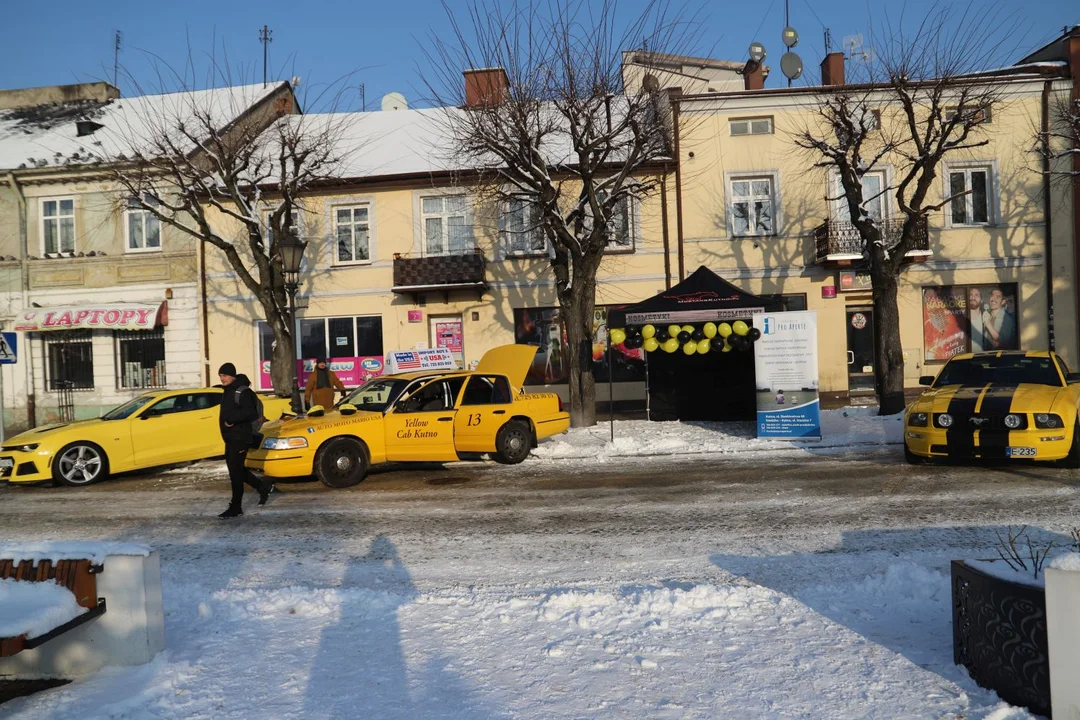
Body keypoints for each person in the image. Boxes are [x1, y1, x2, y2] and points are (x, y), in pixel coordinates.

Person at [217, 363, 273, 518]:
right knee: (236, 470)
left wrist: (232, 420)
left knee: (235, 473)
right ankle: (262, 487)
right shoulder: (228, 391)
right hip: (230, 437)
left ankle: (236, 507)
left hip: (240, 437)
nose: (222, 378)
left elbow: (251, 413)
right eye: (221, 375)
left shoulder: (242, 391)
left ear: (233, 375)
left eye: (225, 375)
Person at [968, 287, 985, 352]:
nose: (972, 297)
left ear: (981, 300)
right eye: (971, 295)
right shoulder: (962, 317)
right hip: (965, 356)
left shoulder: (985, 316)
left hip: (981, 357)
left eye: (976, 295)